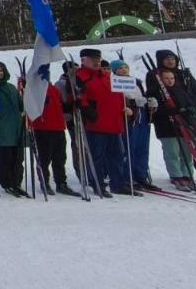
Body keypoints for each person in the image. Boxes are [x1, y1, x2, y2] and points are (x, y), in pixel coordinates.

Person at [75, 48, 139, 197]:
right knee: (97, 157)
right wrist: (89, 112)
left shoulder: (108, 76)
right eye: (93, 59)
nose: (97, 62)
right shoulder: (80, 77)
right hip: (96, 124)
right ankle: (98, 184)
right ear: (84, 60)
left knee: (117, 156)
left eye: (98, 59)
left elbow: (122, 94)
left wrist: (127, 107)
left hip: (115, 122)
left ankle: (118, 183)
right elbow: (78, 99)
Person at [149, 67, 196, 192]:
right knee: (172, 153)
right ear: (161, 79)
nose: (169, 80)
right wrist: (167, 111)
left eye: (172, 78)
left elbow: (191, 104)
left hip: (183, 126)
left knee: (187, 153)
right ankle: (177, 176)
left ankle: (188, 176)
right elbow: (154, 110)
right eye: (166, 78)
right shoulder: (156, 92)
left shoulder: (180, 91)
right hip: (167, 128)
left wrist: (189, 110)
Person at [27, 77, 76, 197]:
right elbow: (29, 108)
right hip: (43, 128)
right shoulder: (33, 90)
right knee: (44, 158)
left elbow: (62, 106)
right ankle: (45, 182)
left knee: (60, 158)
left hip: (58, 127)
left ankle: (61, 183)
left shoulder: (54, 89)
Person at [0, 61, 28, 197]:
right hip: (2, 128)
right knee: (6, 157)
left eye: (1, 70)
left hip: (17, 127)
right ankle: (6, 182)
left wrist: (25, 95)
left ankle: (16, 182)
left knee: (18, 157)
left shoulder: (11, 87)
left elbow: (21, 105)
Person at [112, 60, 155, 191]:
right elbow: (118, 98)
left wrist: (149, 102)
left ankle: (140, 174)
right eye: (120, 68)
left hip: (142, 114)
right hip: (130, 115)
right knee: (130, 146)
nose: (124, 69)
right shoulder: (115, 81)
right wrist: (131, 102)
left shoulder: (135, 81)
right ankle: (127, 176)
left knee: (142, 146)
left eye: (126, 67)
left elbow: (142, 95)